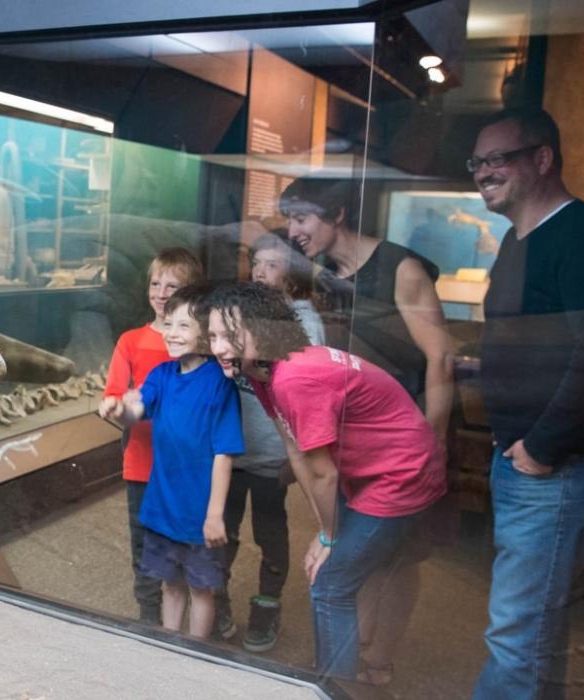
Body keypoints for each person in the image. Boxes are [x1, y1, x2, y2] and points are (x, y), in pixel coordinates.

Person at [470, 107, 584, 699]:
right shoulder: (518, 243)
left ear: (542, 159)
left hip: (557, 467)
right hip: (525, 462)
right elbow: (540, 345)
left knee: (517, 636)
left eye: (498, 159)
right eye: (477, 162)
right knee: (532, 631)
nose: (483, 173)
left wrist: (540, 449)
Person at [206, 282, 446, 680]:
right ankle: (341, 672)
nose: (218, 347)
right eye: (213, 335)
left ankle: (332, 686)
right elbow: (296, 449)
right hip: (371, 469)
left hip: (401, 473)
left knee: (330, 584)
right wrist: (325, 530)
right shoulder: (263, 369)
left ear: (264, 331)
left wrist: (331, 538)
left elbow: (322, 472)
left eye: (230, 335)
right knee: (338, 572)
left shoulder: (293, 376)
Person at [280, 176, 455, 685]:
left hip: (412, 432)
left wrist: (432, 441)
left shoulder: (400, 268)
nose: (293, 231)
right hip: (359, 434)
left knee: (401, 555)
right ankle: (354, 661)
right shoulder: (323, 273)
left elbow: (441, 356)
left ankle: (377, 662)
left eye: (301, 218)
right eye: (289, 219)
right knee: (363, 550)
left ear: (336, 215)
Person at [101, 285, 243, 638]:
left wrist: (214, 516)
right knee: (170, 584)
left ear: (206, 335)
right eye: (168, 324)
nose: (172, 333)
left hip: (198, 513)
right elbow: (137, 406)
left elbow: (224, 453)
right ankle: (170, 649)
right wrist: (119, 408)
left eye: (183, 326)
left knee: (201, 589)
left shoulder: (219, 384)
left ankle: (194, 653)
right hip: (162, 507)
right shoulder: (162, 375)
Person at [213, 232, 325, 651]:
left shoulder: (301, 320)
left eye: (272, 264)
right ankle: (216, 597)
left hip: (271, 456)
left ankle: (267, 604)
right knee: (221, 528)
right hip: (232, 451)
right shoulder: (242, 311)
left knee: (270, 531)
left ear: (293, 273)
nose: (260, 271)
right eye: (256, 262)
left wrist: (293, 456)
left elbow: (309, 392)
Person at [99, 247, 204, 624]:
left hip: (188, 467)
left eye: (171, 285)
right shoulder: (129, 341)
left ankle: (206, 614)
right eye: (155, 284)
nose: (160, 293)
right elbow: (114, 396)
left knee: (189, 546)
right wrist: (116, 408)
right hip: (142, 462)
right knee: (143, 545)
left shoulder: (198, 345)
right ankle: (148, 618)